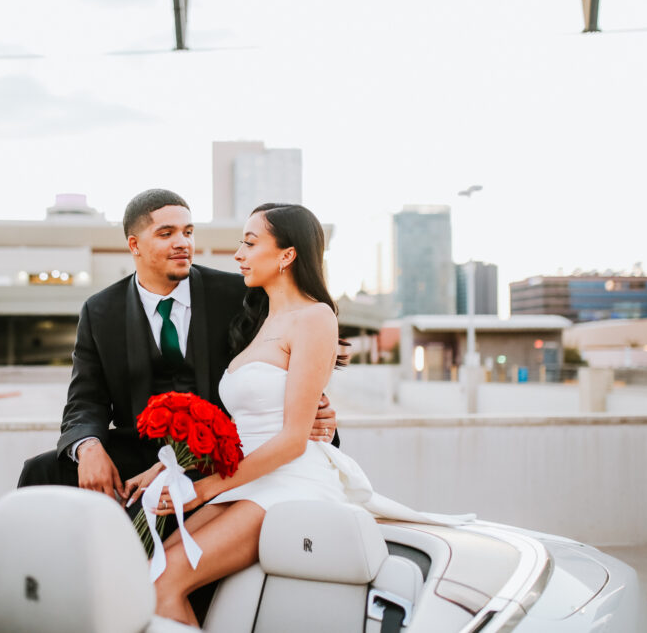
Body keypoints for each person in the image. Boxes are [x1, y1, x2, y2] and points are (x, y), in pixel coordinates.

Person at [145, 203, 469, 627]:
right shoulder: (260, 319)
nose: (238, 255)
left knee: (164, 582)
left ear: (286, 255)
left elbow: (293, 438)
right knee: (149, 573)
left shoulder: (315, 318)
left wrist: (202, 489)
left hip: (287, 480)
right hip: (245, 479)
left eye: (249, 242)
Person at [16, 190, 338, 513]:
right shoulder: (100, 312)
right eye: (166, 233)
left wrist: (318, 413)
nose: (183, 242)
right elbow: (84, 400)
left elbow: (288, 358)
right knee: (41, 472)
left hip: (217, 456)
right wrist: (88, 447)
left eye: (188, 232)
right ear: (134, 245)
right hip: (137, 453)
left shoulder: (239, 295)